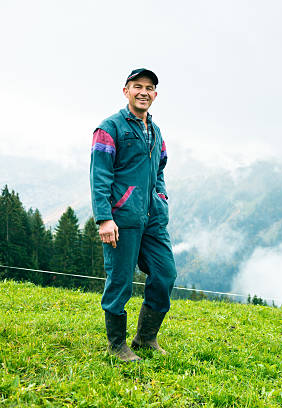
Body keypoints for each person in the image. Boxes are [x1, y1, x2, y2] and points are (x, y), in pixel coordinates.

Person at [90, 68, 177, 362]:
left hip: (153, 218)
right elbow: (99, 175)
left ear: (155, 95)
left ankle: (145, 338)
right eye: (137, 86)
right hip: (121, 218)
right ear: (125, 91)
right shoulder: (109, 128)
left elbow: (160, 169)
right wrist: (104, 218)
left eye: (149, 87)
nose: (143, 92)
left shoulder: (155, 131)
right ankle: (117, 345)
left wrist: (160, 198)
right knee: (120, 281)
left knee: (165, 274)